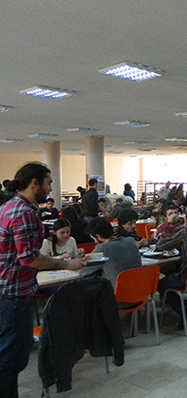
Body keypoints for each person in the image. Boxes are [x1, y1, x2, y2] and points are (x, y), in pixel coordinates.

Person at [0, 162, 85, 397]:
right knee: (11, 359)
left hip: (7, 290)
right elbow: (29, 258)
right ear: (34, 183)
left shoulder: (9, 207)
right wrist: (66, 264)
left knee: (7, 353)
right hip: (14, 293)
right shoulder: (24, 212)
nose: (50, 189)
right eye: (48, 183)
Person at [86, 217, 141, 288]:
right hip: (138, 289)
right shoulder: (131, 241)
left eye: (93, 239)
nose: (95, 242)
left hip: (116, 291)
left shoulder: (103, 248)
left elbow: (83, 271)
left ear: (98, 236)